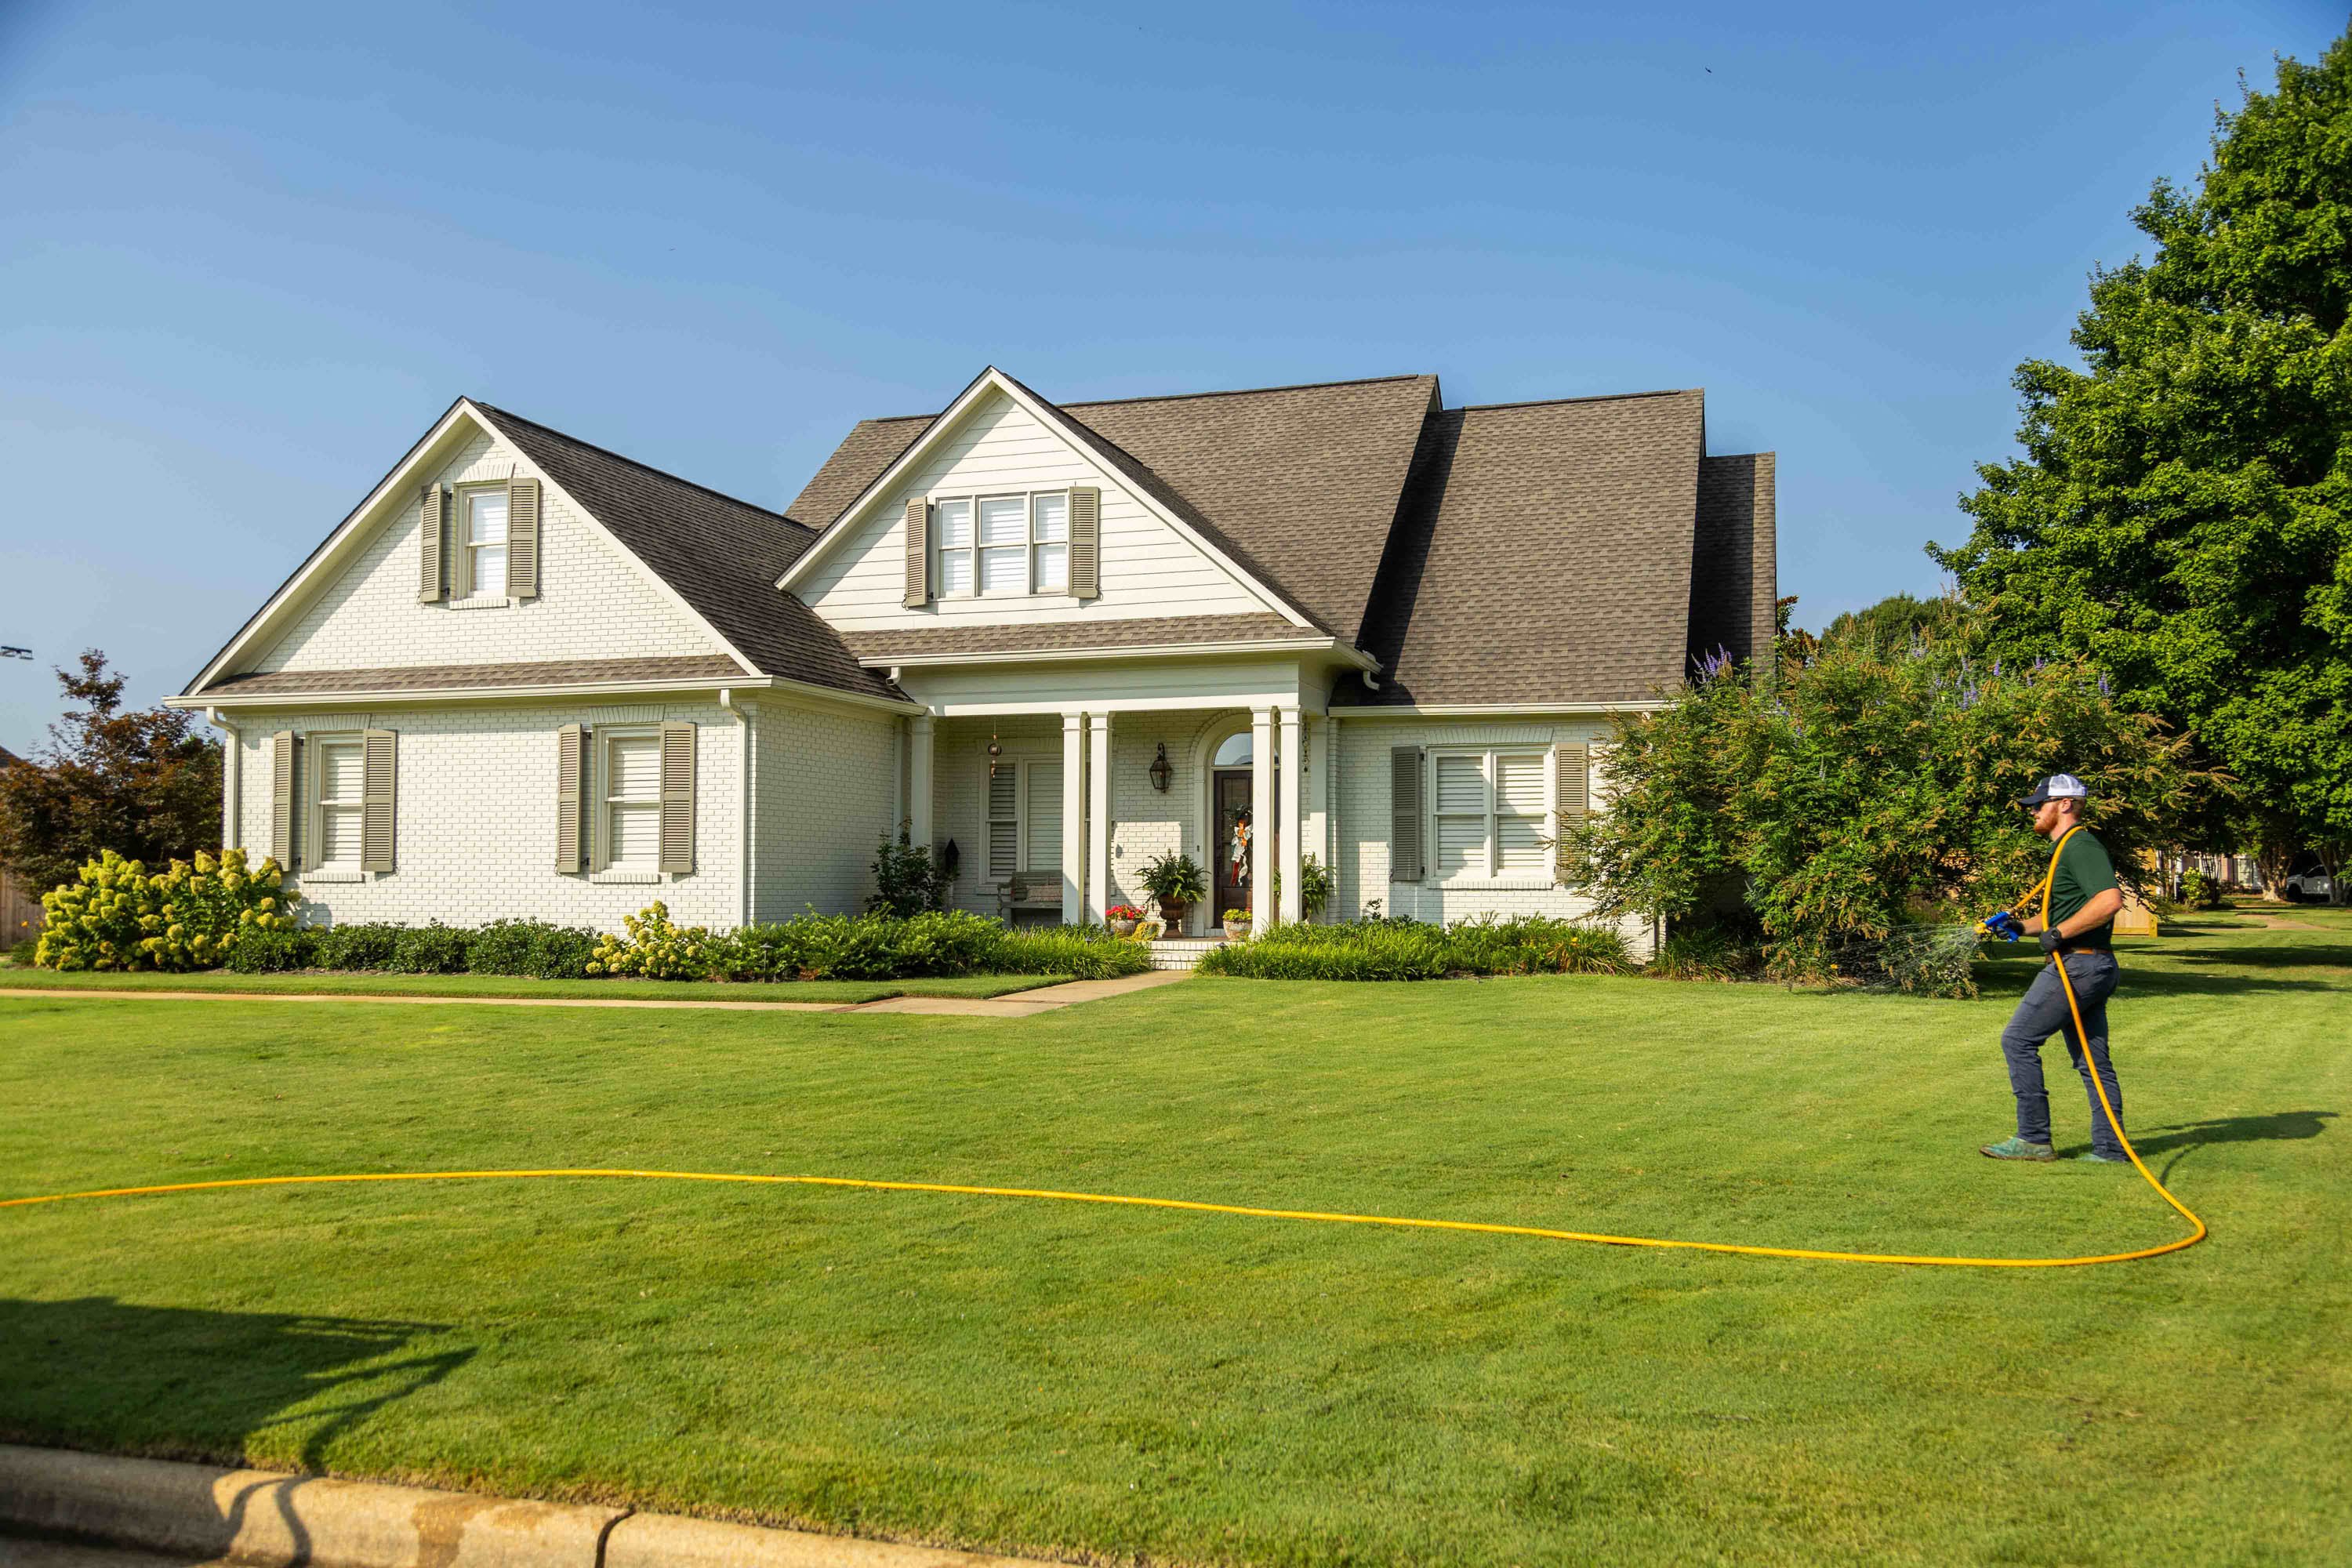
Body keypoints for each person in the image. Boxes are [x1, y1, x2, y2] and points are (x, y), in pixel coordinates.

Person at [1980, 774, 2132, 1165]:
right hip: (2091, 964)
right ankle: (2111, 1149)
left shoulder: (2080, 846)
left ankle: (2033, 1138)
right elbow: (2061, 912)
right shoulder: (2066, 847)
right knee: (2093, 1063)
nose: (2032, 811)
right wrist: (2022, 928)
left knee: (2018, 1040)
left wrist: (2059, 934)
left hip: (2078, 965)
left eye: (2039, 804)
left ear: (2064, 804)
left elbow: (2110, 901)